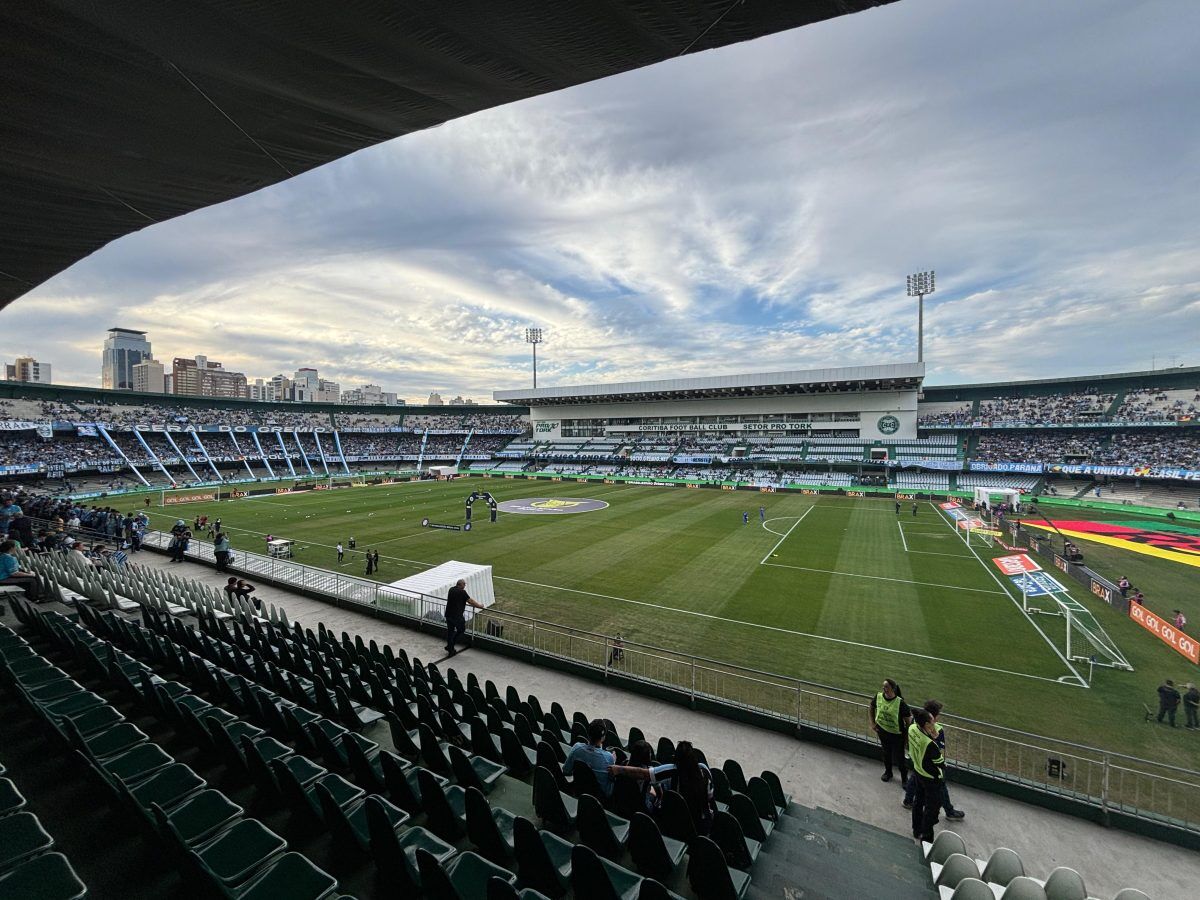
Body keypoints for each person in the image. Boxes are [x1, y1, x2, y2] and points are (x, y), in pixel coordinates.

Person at [903, 700, 965, 820]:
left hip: (916, 760)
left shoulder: (916, 721)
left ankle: (908, 800)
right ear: (933, 716)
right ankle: (949, 811)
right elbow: (937, 751)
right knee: (941, 787)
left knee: (915, 777)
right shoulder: (937, 729)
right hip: (930, 768)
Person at [907, 708, 945, 842]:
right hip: (931, 779)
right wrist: (934, 737)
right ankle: (926, 837)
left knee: (918, 802)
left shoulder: (912, 728)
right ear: (927, 724)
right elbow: (941, 763)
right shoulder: (930, 745)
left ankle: (916, 829)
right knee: (931, 809)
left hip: (918, 772)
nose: (935, 723)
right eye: (932, 721)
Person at [870, 678, 910, 783]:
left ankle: (904, 779)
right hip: (883, 732)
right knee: (886, 754)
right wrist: (873, 723)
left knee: (900, 758)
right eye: (883, 686)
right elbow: (871, 707)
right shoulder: (878, 697)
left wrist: (907, 738)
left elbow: (908, 722)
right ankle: (888, 772)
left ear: (892, 688)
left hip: (897, 735)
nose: (884, 688)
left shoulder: (900, 703)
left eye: (886, 686)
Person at [563, 719, 616, 797]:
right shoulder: (608, 758)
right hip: (600, 796)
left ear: (588, 734)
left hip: (579, 790)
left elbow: (566, 771)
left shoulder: (576, 748)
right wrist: (613, 762)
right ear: (603, 737)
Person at [444, 578, 484, 655]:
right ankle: (451, 647)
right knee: (461, 629)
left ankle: (450, 646)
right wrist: (479, 606)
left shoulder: (451, 589)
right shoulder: (462, 592)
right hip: (457, 616)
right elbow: (470, 601)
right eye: (464, 584)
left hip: (448, 614)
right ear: (460, 584)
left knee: (450, 632)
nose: (465, 585)